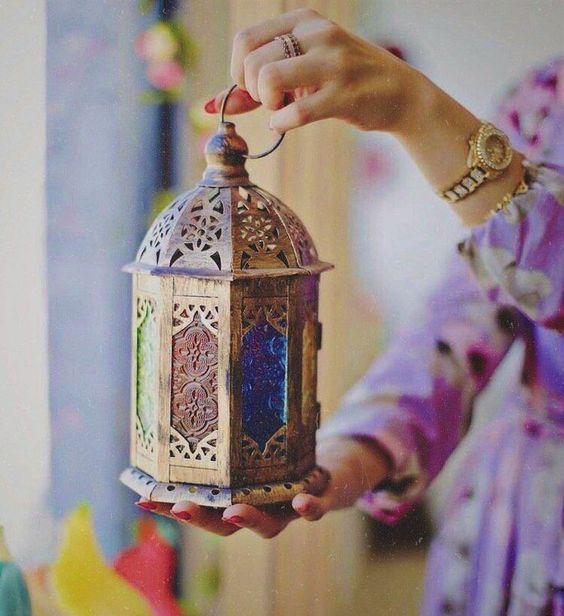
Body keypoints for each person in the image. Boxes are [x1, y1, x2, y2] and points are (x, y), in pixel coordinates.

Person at [137, 10, 563, 615]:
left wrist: (418, 111)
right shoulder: (545, 101)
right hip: (521, 512)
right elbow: (465, 316)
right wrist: (341, 456)